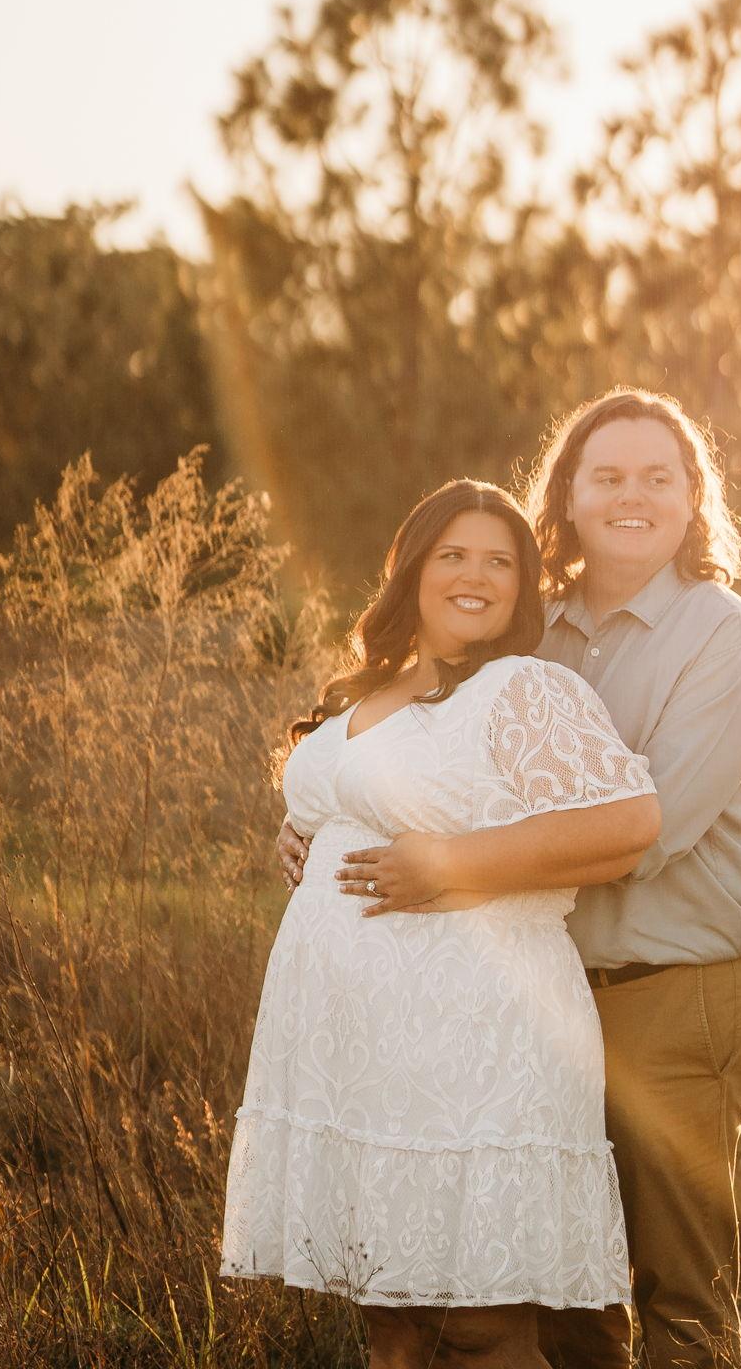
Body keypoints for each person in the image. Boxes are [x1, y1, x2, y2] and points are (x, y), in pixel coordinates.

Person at [290, 391, 741, 1369]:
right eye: (605, 475)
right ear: (567, 493)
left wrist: (439, 862)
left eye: (656, 476)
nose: (629, 495)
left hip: (671, 990)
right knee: (566, 1279)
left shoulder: (719, 636)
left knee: (678, 1293)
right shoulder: (528, 618)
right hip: (534, 997)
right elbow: (430, 746)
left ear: (693, 499)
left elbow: (644, 832)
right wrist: (332, 828)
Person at [221, 478, 663, 1369]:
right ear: (410, 570)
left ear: (522, 588)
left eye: (500, 561)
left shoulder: (523, 689)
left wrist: (449, 865)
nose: (476, 575)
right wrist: (304, 826)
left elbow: (627, 824)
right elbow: (363, 791)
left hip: (473, 1041)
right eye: (453, 554)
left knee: (482, 1326)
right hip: (362, 1054)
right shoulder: (368, 691)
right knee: (390, 1318)